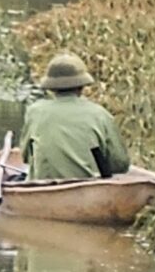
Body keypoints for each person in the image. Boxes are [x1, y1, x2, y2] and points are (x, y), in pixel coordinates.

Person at [18, 51, 131, 182]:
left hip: (43, 188)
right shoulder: (100, 114)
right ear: (82, 86)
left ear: (51, 87)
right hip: (89, 190)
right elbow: (120, 164)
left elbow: (25, 156)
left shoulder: (35, 112)